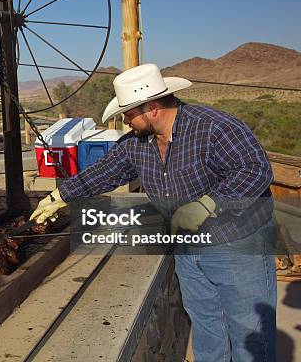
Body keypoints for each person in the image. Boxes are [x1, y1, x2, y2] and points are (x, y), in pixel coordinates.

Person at [30, 64, 277, 361]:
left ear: (152, 107)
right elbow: (106, 171)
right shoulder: (137, 144)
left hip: (237, 245)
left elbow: (255, 170)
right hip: (188, 249)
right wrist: (60, 195)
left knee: (249, 334)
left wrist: (208, 204)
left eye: (128, 113)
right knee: (208, 329)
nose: (124, 119)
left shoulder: (214, 127)